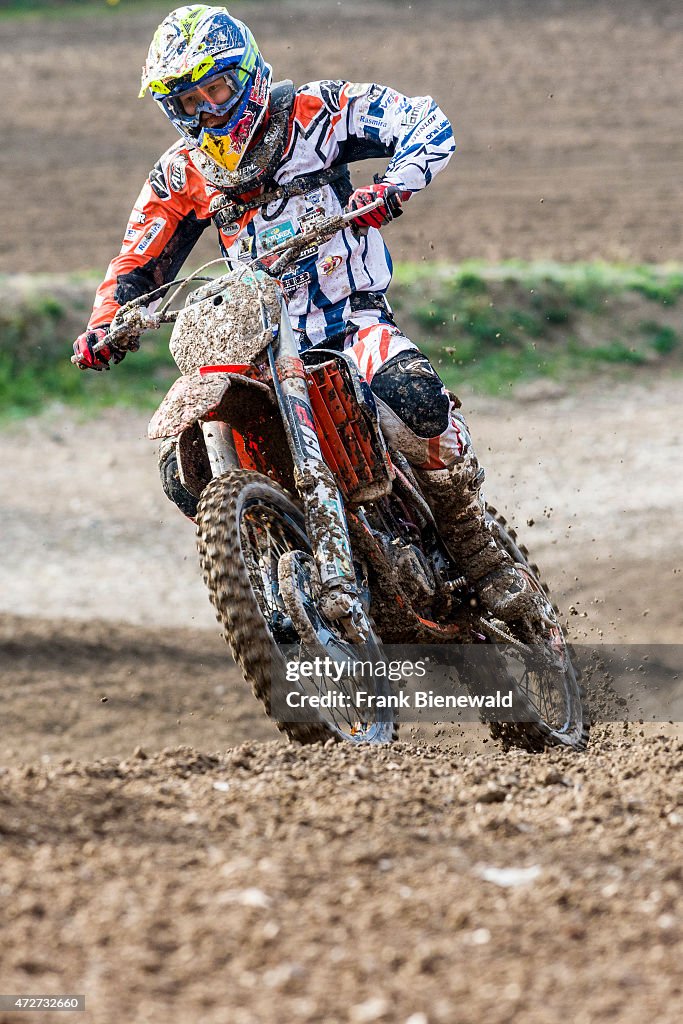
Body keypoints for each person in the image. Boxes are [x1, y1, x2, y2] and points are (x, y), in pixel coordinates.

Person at [73, 4, 534, 622]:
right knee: (185, 472)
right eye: (187, 102)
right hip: (260, 341)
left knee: (414, 399)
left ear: (249, 73)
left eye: (216, 88)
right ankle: (277, 563)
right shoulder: (182, 173)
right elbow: (136, 263)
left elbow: (424, 121)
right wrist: (107, 324)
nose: (207, 111)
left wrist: (393, 186)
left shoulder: (317, 112)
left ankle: (480, 552)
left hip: (350, 319)